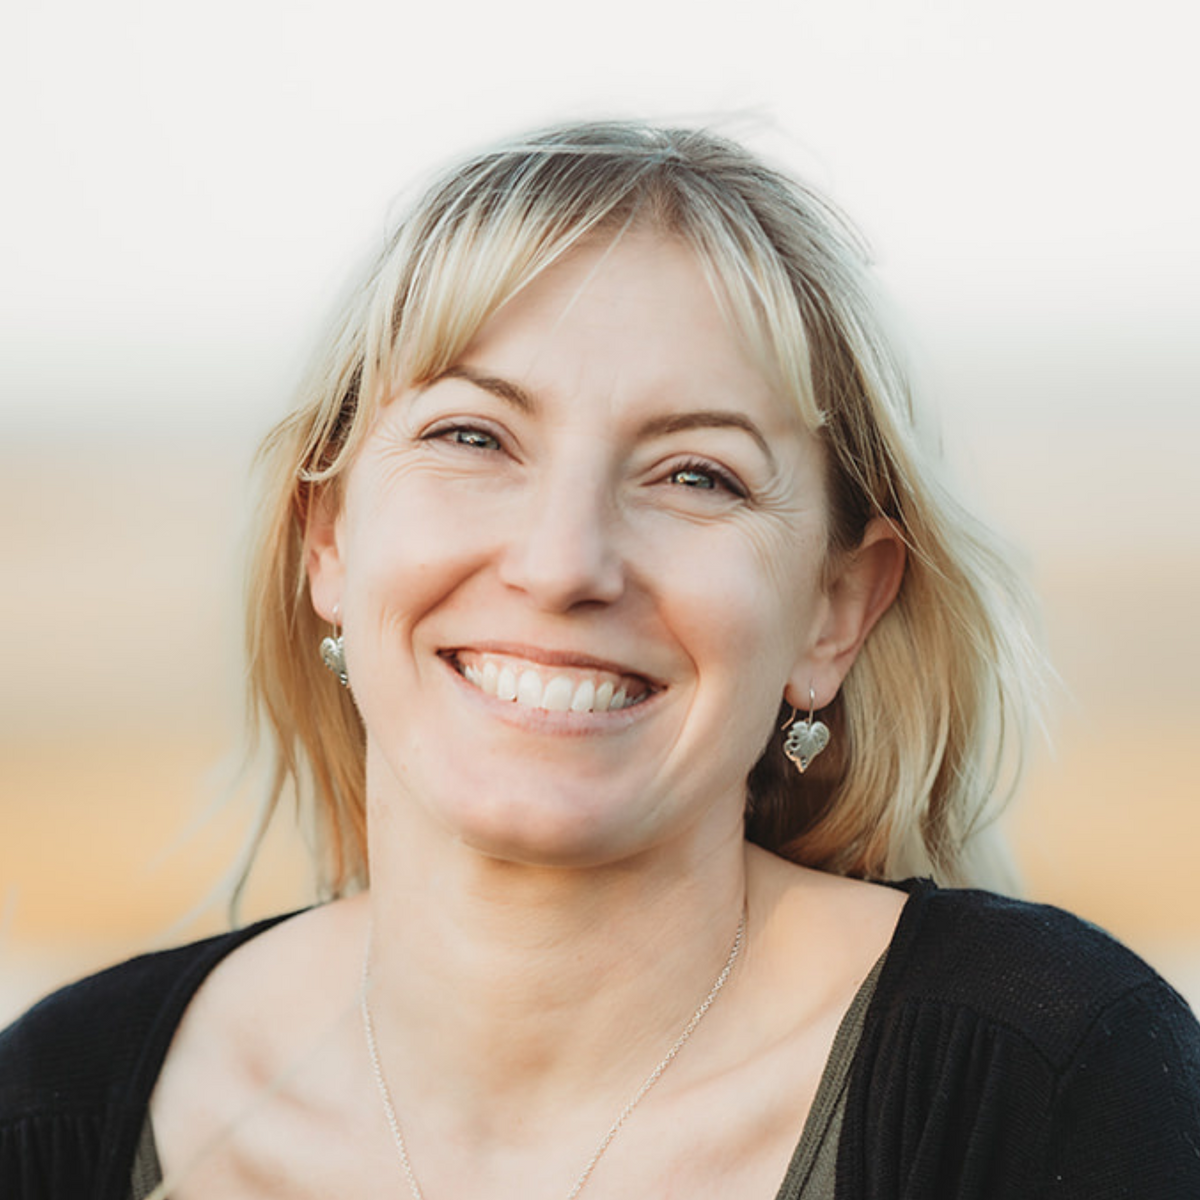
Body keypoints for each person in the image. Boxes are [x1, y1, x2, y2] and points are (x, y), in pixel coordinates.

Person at [2, 120, 1198, 1200]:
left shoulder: (1049, 1077)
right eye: (473, 436)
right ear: (328, 540)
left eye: (697, 475)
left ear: (836, 609)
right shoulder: (53, 1113)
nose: (565, 560)